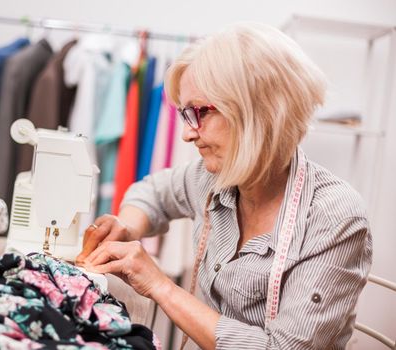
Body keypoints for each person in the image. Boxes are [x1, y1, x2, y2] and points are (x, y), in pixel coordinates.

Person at [76, 22, 372, 350]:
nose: (187, 133)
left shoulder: (332, 215)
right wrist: (125, 226)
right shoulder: (213, 177)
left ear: (256, 112)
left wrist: (160, 286)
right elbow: (152, 192)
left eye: (198, 113)